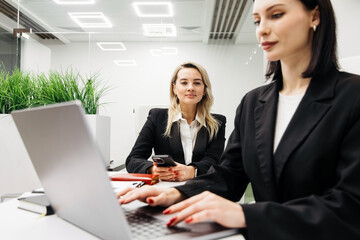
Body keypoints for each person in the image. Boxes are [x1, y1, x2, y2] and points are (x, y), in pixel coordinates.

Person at [119, 0, 360, 239]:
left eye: (276, 15)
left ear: (315, 16)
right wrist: (179, 194)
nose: (262, 29)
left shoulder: (352, 96)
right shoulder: (253, 102)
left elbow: (352, 204)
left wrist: (247, 215)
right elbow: (229, 176)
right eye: (257, 20)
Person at [125, 62, 226, 182]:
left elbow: (215, 161)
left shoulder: (217, 123)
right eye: (184, 82)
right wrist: (153, 169)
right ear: (174, 88)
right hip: (166, 188)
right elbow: (133, 159)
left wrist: (192, 171)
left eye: (197, 83)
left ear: (204, 90)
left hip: (201, 188)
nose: (190, 88)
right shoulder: (157, 117)